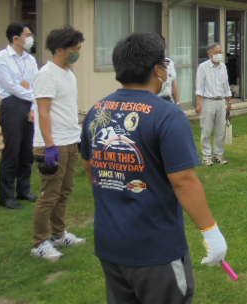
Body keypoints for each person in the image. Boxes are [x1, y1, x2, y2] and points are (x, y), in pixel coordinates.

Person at [80, 33, 227, 304]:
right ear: (159, 70)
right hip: (156, 249)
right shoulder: (167, 114)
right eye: (165, 64)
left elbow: (91, 167)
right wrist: (210, 231)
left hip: (110, 243)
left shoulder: (97, 110)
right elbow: (183, 179)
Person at [30, 27, 86, 260]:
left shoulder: (69, 73)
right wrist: (50, 145)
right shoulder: (46, 74)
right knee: (49, 195)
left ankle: (59, 233)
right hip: (53, 144)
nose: (77, 52)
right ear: (60, 49)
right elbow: (43, 112)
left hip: (71, 139)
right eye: (75, 48)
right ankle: (40, 243)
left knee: (65, 191)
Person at [0, 22, 38, 209]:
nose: (30, 37)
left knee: (27, 151)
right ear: (15, 38)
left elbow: (34, 82)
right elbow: (11, 86)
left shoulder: (30, 59)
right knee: (12, 151)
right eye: (27, 35)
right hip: (12, 105)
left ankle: (24, 190)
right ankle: (7, 196)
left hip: (29, 104)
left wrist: (33, 105)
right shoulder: (0, 58)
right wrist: (30, 93)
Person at [196, 43, 232, 166]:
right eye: (217, 52)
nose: (219, 54)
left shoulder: (223, 67)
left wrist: (229, 101)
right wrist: (199, 104)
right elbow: (199, 87)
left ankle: (218, 155)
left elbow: (226, 86)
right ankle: (206, 156)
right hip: (208, 101)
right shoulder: (203, 67)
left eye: (220, 52)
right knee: (206, 130)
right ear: (210, 54)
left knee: (220, 130)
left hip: (221, 101)